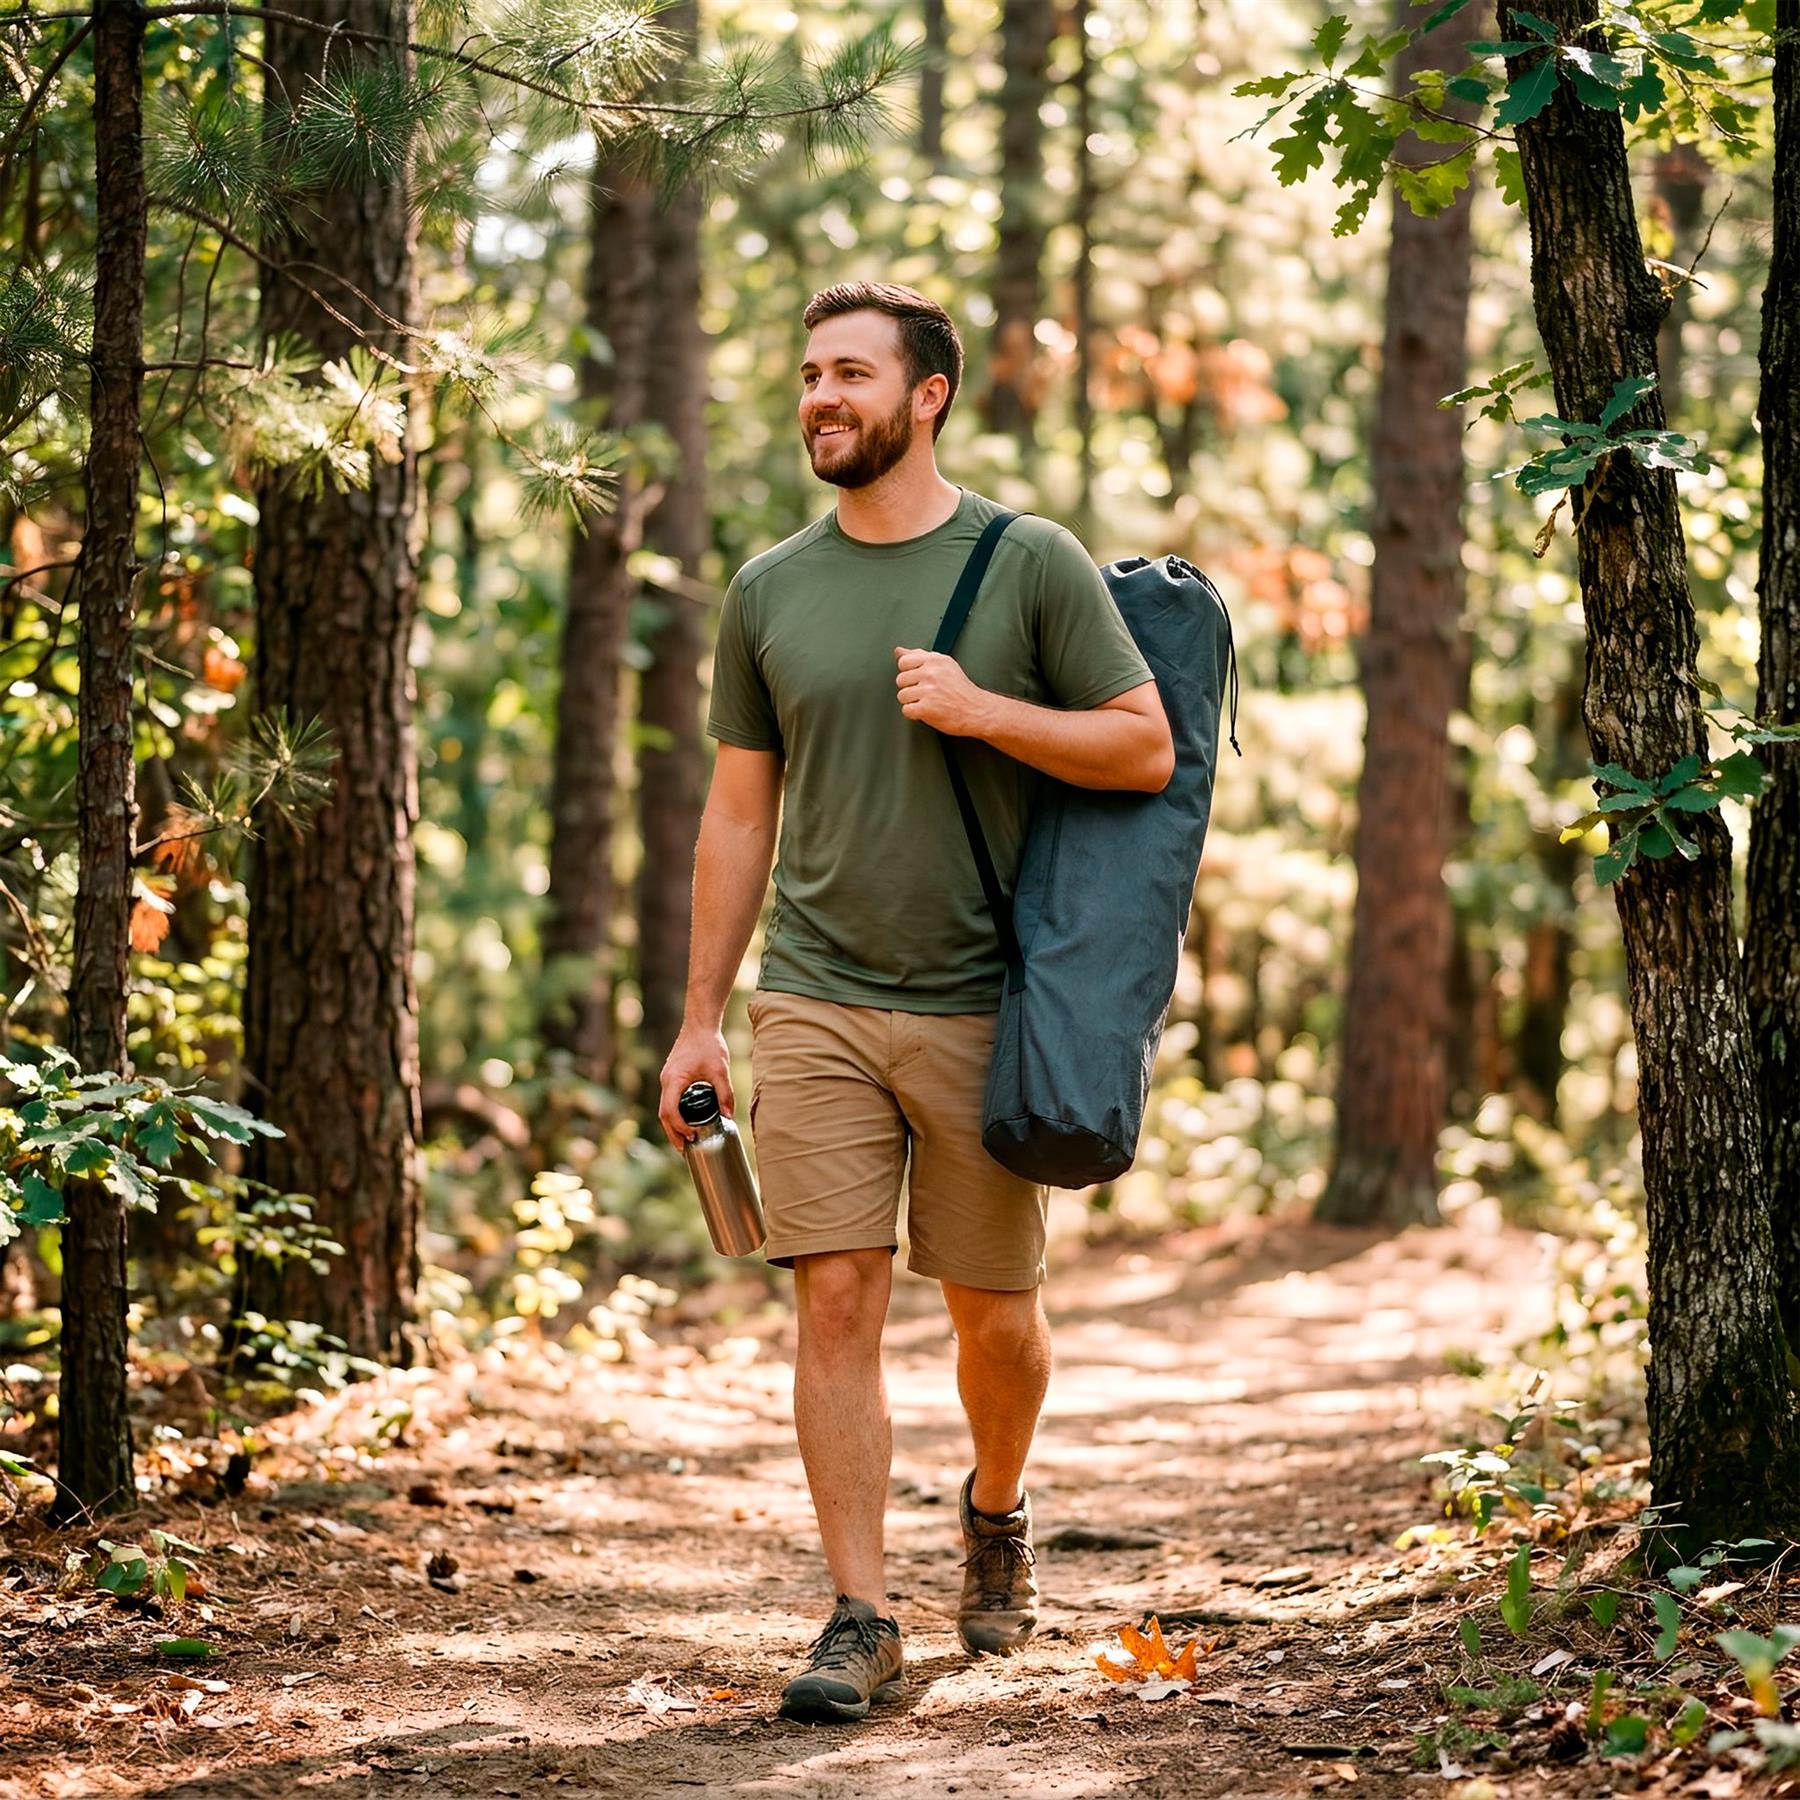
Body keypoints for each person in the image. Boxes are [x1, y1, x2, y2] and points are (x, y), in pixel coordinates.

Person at [657, 281, 1173, 1724]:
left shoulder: (1027, 562)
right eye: (810, 374)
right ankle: (859, 1613)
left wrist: (980, 710)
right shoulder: (769, 588)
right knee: (835, 1295)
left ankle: (995, 1508)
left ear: (927, 395)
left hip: (980, 1008)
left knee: (994, 1318)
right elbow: (736, 819)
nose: (821, 398)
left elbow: (1143, 750)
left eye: (851, 375)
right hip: (813, 995)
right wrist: (702, 1017)